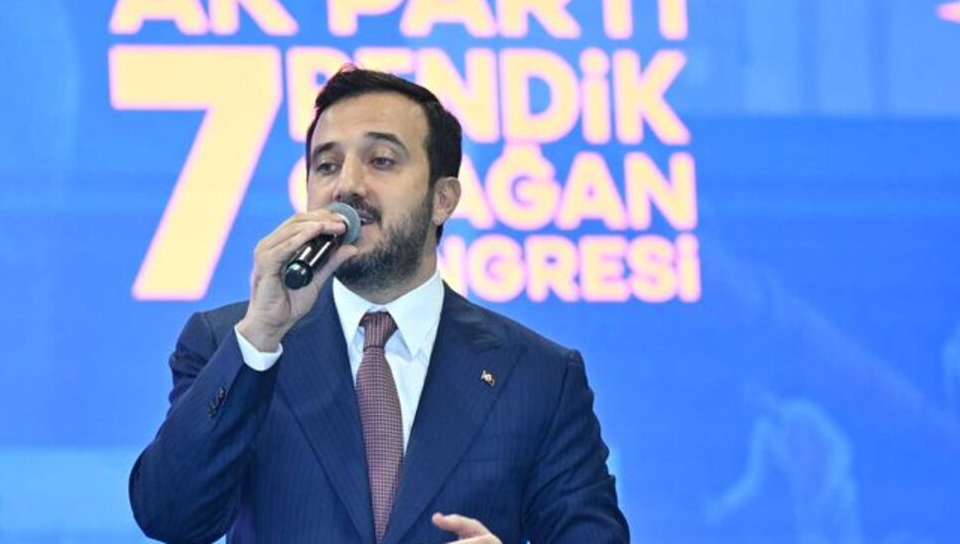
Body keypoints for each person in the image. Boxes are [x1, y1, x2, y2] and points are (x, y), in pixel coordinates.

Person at [129, 67, 629, 544]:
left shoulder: (539, 376)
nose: (347, 185)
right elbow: (171, 515)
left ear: (443, 199)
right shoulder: (233, 345)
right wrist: (260, 338)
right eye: (327, 165)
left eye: (381, 160)